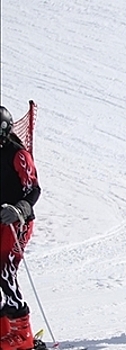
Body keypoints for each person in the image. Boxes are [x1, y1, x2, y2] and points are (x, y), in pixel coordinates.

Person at [0, 106, 40, 350]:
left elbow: (33, 189)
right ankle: (4, 329)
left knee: (5, 270)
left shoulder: (18, 154)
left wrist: (19, 209)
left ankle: (21, 333)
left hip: (17, 222)